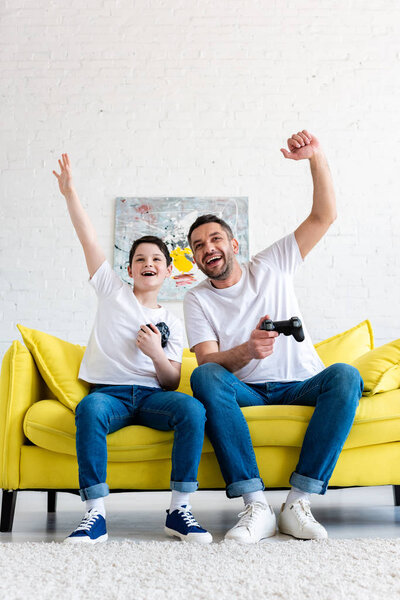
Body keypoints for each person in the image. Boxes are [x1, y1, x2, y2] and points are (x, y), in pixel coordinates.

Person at [184, 130, 364, 543]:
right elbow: (208, 362)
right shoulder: (196, 299)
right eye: (198, 246)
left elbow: (324, 217)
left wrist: (315, 158)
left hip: (301, 383)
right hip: (247, 390)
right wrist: (247, 350)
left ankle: (297, 503)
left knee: (345, 376)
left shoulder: (273, 263)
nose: (207, 248)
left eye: (214, 239)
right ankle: (256, 506)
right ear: (194, 259)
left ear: (233, 244)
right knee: (204, 377)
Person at [52, 154, 212, 545]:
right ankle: (95, 514)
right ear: (129, 270)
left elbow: (173, 381)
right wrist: (71, 193)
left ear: (169, 271)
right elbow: (87, 238)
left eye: (157, 258)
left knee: (192, 408)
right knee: (89, 409)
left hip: (155, 398)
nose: (148, 263)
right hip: (110, 395)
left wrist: (157, 352)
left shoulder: (173, 320)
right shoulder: (112, 292)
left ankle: (179, 510)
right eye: (139, 259)